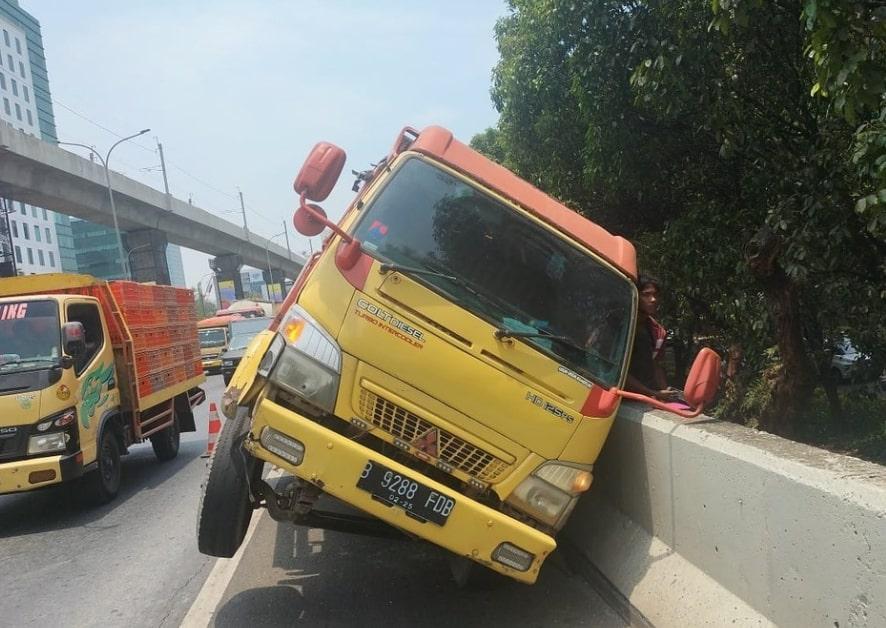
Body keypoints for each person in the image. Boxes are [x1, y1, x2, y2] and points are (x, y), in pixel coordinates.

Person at [625, 274, 681, 402]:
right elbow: (614, 371)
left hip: (642, 399)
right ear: (635, 295)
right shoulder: (618, 324)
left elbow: (656, 365)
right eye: (646, 294)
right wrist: (652, 392)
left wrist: (666, 394)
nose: (653, 299)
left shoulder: (658, 333)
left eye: (656, 295)